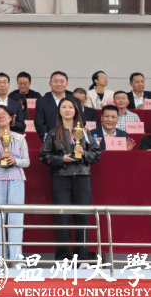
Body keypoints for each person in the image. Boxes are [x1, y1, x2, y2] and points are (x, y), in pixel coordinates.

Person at [39, 96, 101, 266]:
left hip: (82, 177)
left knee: (83, 217)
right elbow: (44, 156)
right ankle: (63, 257)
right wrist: (62, 159)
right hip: (61, 178)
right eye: (64, 107)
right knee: (62, 217)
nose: (67, 110)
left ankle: (82, 257)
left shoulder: (85, 132)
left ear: (76, 111)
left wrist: (84, 153)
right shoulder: (53, 133)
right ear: (59, 111)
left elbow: (96, 154)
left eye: (70, 107)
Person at [0, 105, 30, 265]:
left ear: (11, 118)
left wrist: (15, 161)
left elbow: (27, 162)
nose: (1, 116)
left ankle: (16, 257)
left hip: (16, 179)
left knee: (16, 217)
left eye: (4, 114)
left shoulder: (20, 138)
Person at [34, 71, 70, 143]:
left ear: (66, 84)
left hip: (71, 141)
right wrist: (49, 140)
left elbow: (80, 120)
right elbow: (39, 123)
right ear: (50, 83)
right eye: (55, 81)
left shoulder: (74, 101)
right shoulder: (42, 101)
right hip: (50, 142)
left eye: (62, 81)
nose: (59, 84)